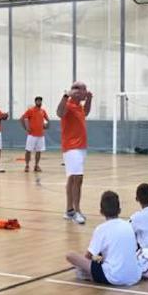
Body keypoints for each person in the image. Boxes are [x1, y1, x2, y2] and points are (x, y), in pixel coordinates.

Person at [65, 191, 141, 287]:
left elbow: (88, 256)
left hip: (114, 277)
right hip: (135, 276)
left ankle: (88, 275)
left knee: (70, 255)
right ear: (119, 210)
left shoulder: (101, 229)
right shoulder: (128, 225)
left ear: (101, 211)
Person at [58, 81, 92, 224]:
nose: (86, 92)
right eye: (84, 90)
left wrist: (89, 99)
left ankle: (69, 211)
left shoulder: (79, 106)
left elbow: (86, 112)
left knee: (72, 178)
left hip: (80, 147)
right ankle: (76, 211)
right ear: (77, 92)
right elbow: (59, 113)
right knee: (78, 178)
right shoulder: (68, 105)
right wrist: (66, 96)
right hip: (72, 147)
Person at [21, 96, 49, 173]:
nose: (39, 102)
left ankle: (36, 165)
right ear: (35, 102)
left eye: (40, 101)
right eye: (38, 101)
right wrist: (26, 128)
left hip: (40, 135)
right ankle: (27, 165)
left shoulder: (43, 111)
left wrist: (46, 125)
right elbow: (22, 119)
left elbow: (47, 120)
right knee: (28, 150)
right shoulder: (30, 110)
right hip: (32, 135)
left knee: (38, 151)